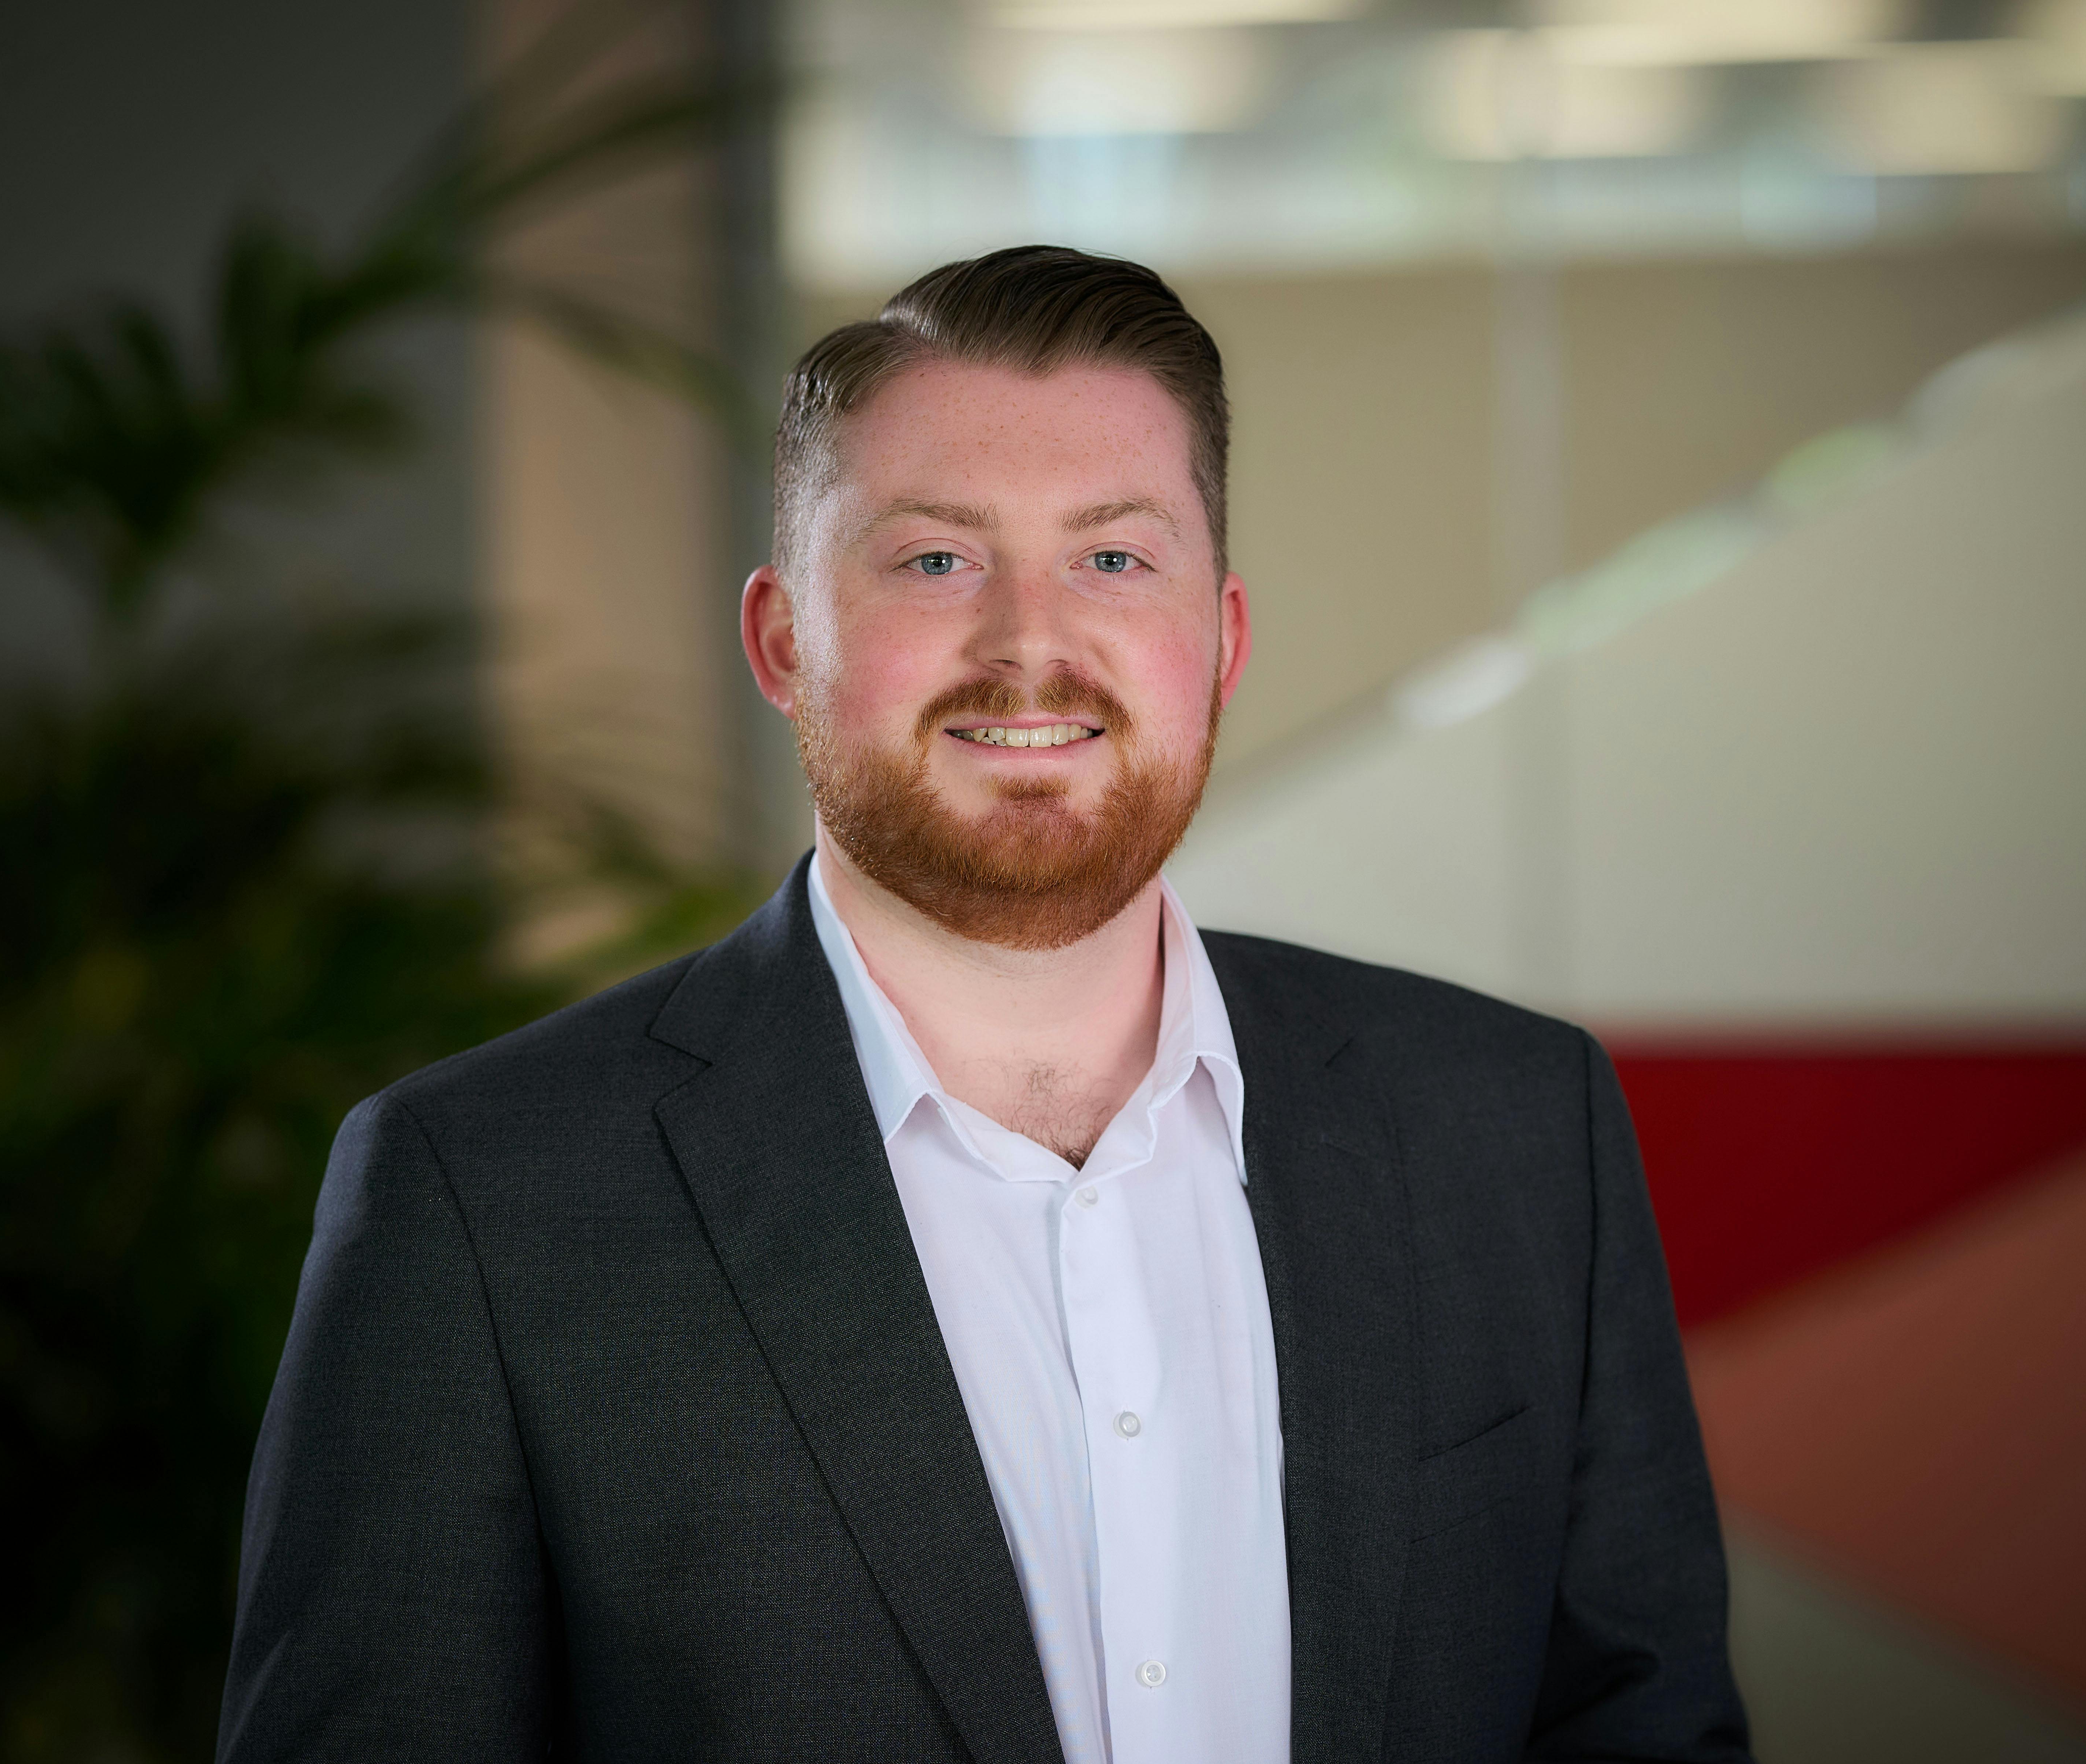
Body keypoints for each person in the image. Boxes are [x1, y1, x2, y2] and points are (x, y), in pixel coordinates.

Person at [217, 246, 1749, 1763]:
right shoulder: (483, 1196)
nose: (1030, 643)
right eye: (936, 560)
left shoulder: (1512, 1127)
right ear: (783, 640)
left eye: (1112, 558)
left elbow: (1639, 1723)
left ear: (1219, 640)